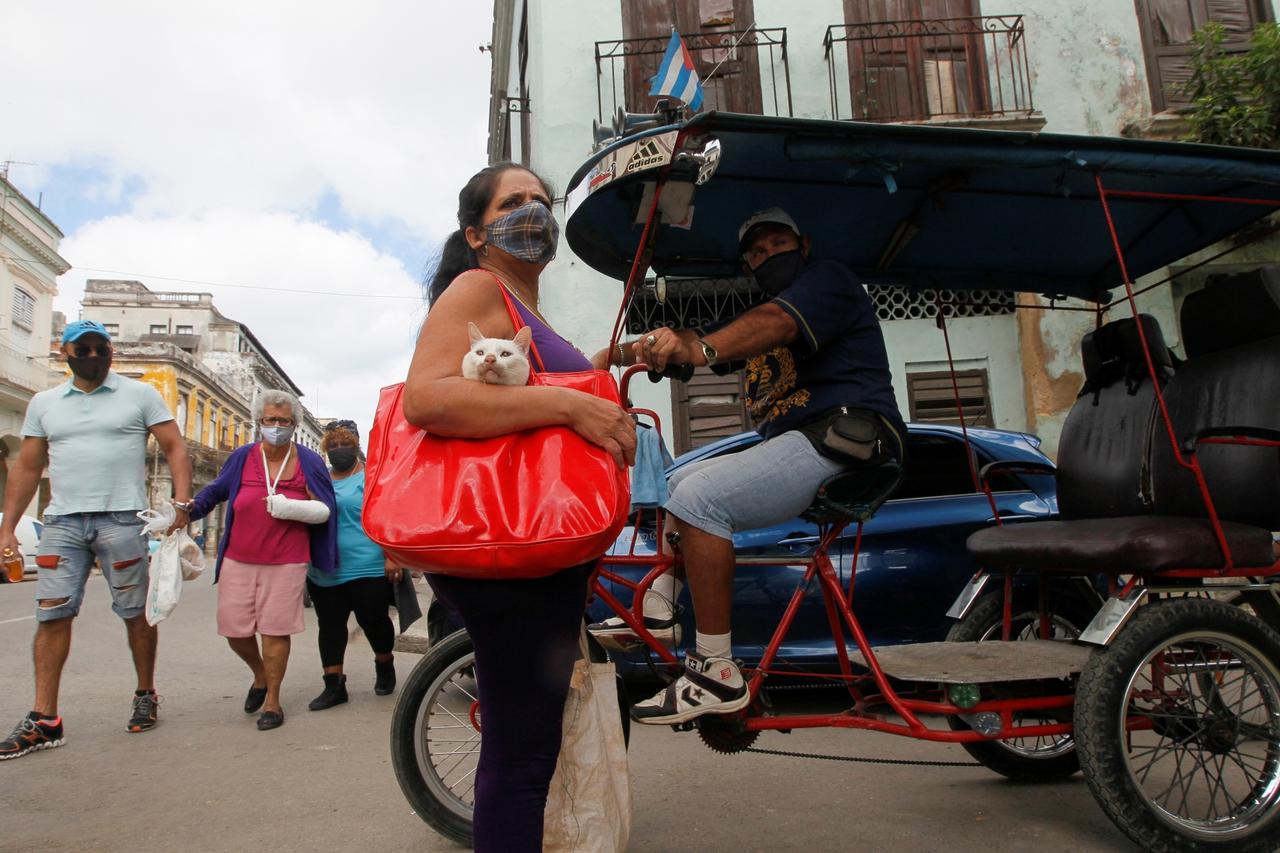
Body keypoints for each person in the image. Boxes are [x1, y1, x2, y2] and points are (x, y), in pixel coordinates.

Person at [402, 162, 636, 852]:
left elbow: (528, 398)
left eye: (540, 199)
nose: (533, 211)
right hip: (507, 552)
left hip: (535, 551)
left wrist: (601, 369)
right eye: (512, 203)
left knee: (527, 746)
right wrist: (571, 404)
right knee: (521, 756)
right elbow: (428, 397)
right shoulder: (479, 287)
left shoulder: (521, 307)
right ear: (476, 233)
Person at [596, 207, 906, 726]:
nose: (768, 256)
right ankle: (661, 609)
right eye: (757, 253)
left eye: (777, 245)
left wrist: (704, 348)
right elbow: (696, 342)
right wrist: (615, 354)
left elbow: (769, 326)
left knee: (700, 501)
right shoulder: (757, 316)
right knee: (678, 481)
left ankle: (715, 670)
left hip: (846, 438)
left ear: (803, 245)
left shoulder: (826, 282)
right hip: (803, 442)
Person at [0, 320, 192, 760]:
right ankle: (45, 719)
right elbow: (27, 466)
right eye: (82, 349)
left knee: (135, 613)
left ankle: (145, 692)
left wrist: (182, 504)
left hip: (122, 520)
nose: (92, 356)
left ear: (110, 352)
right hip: (62, 522)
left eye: (100, 348)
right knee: (52, 614)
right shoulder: (45, 403)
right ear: (64, 353)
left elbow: (174, 446)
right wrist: (8, 527)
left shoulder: (140, 394)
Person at [187, 389, 337, 731]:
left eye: (284, 421)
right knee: (234, 630)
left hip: (287, 560)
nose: (276, 427)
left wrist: (292, 506)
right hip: (239, 558)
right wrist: (190, 509)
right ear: (259, 421)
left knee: (275, 630)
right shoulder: (243, 456)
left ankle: (273, 700)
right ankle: (260, 675)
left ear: (294, 425)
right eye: (270, 419)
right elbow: (216, 490)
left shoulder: (309, 462)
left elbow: (325, 509)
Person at [305, 419, 401, 710]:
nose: (339, 449)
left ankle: (384, 663)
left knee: (374, 621)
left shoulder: (372, 477)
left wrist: (392, 555)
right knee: (330, 626)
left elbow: (389, 515)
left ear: (357, 445)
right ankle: (334, 686)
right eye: (333, 445)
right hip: (325, 568)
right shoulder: (318, 479)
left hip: (368, 565)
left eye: (345, 443)